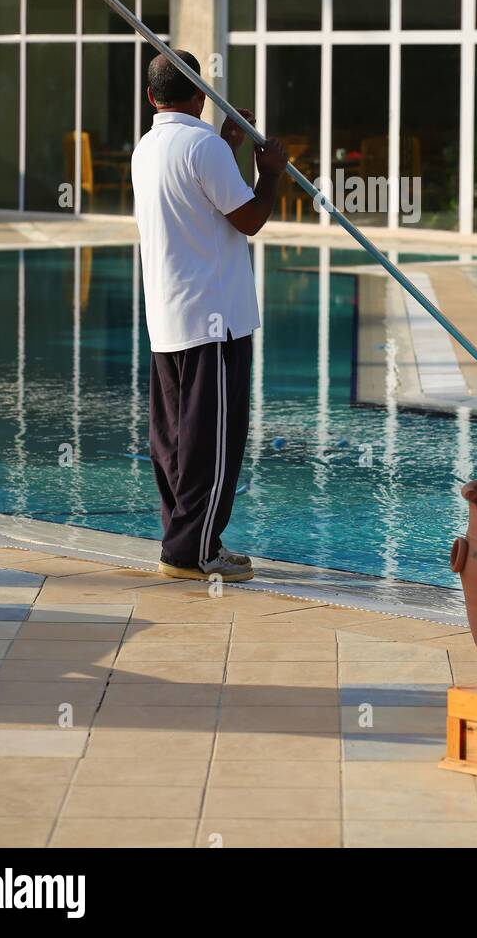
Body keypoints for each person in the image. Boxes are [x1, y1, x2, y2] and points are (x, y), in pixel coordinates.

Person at [131, 50, 287, 580]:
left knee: (177, 441)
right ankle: (193, 553)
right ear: (200, 94)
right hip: (215, 321)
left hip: (170, 320)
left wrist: (226, 147)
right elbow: (248, 219)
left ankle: (184, 541)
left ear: (152, 98)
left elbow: (194, 196)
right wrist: (272, 173)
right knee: (213, 443)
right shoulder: (201, 146)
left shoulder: (147, 148)